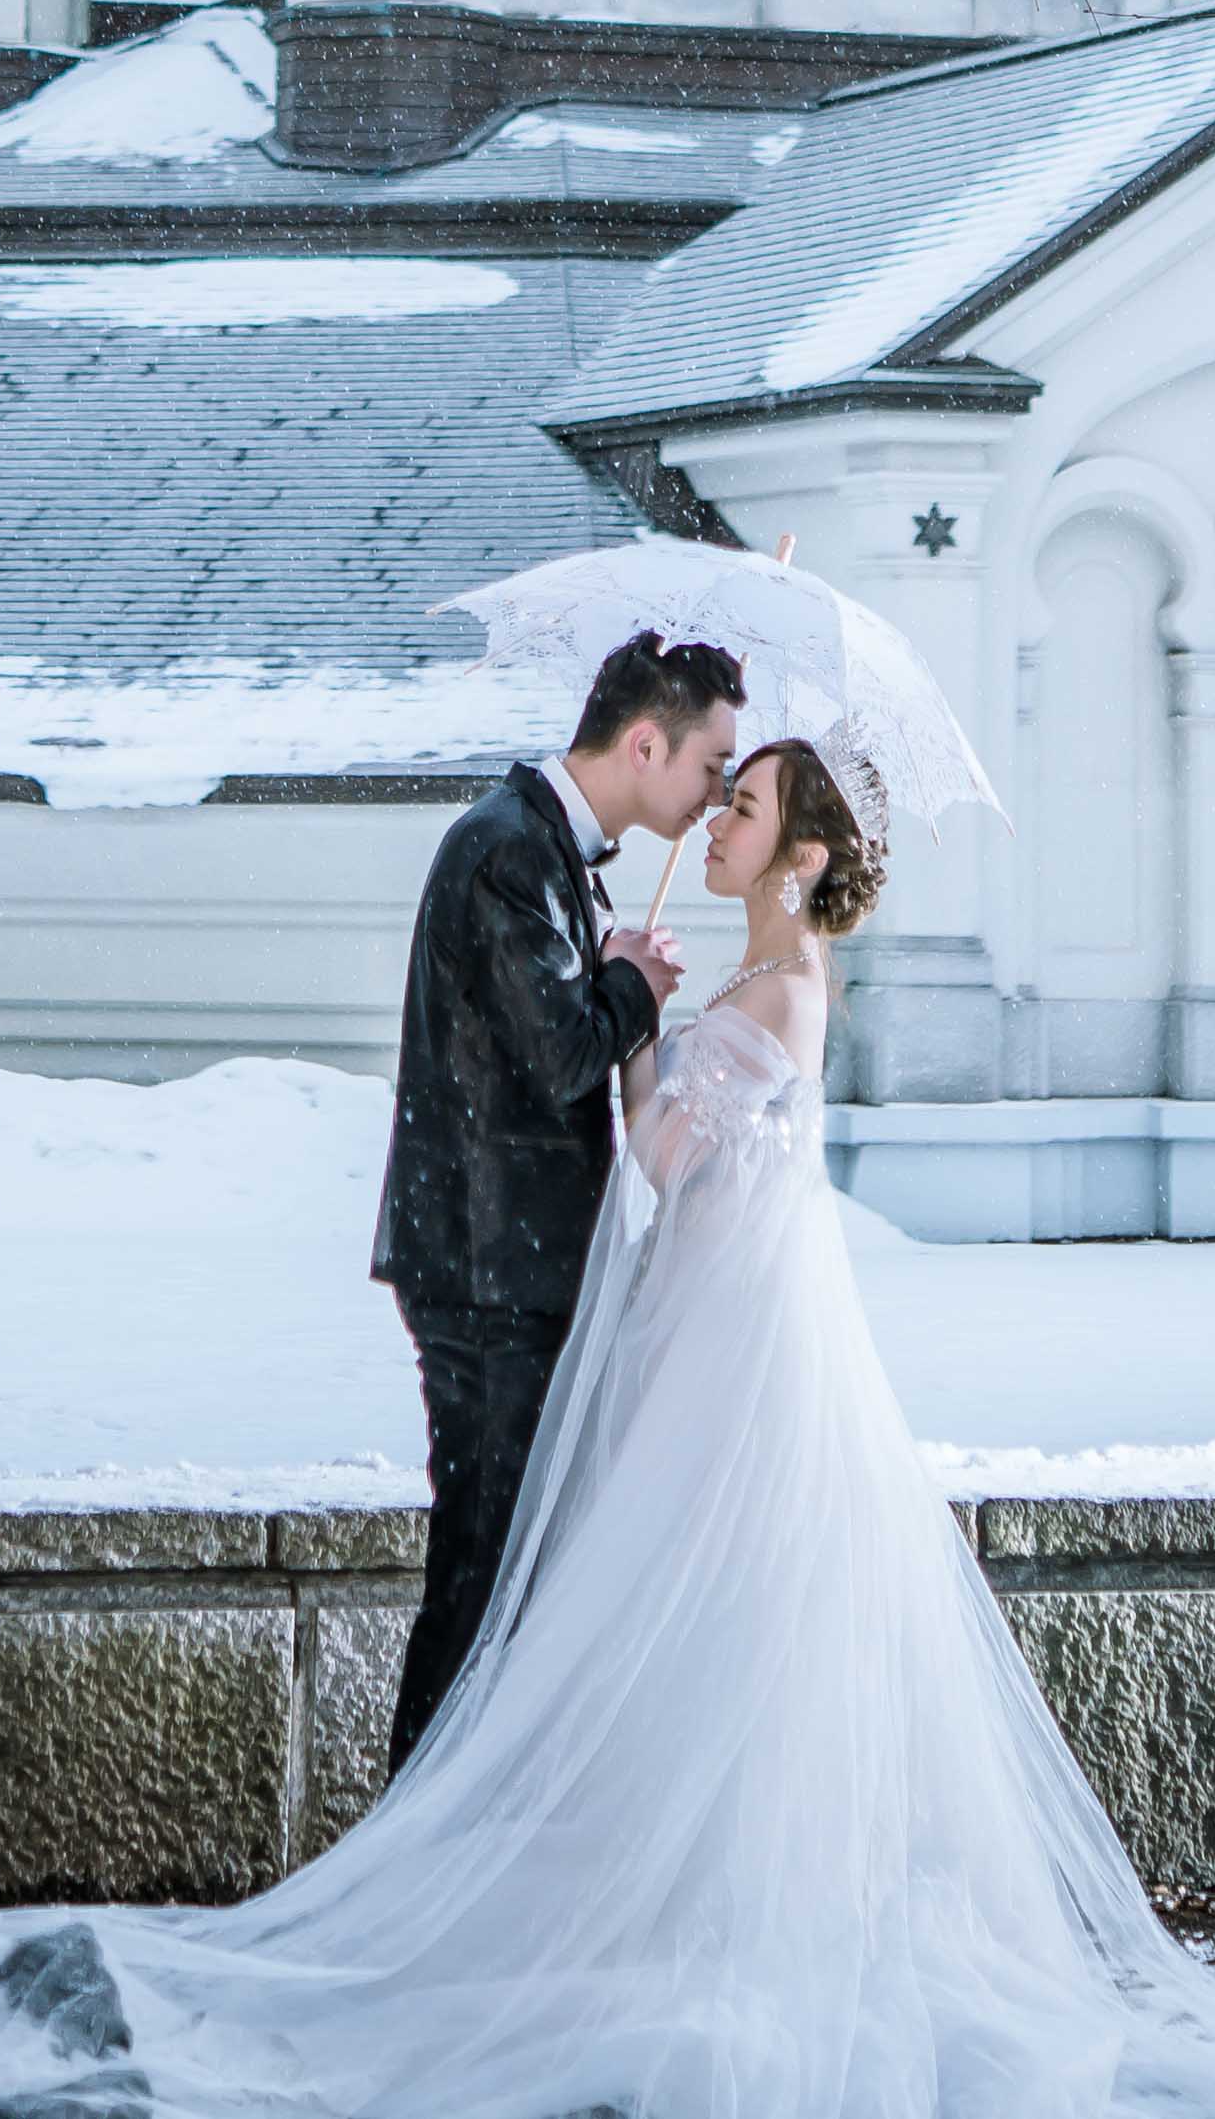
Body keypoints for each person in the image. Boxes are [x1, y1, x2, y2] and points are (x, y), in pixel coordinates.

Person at [0, 730, 1215, 2119]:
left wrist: (627, 1012)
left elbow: (653, 1165)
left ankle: (644, 1916)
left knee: (677, 1617)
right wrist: (644, 1003)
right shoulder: (766, 979)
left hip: (724, 1349)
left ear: (796, 854)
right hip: (719, 1330)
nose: (715, 819)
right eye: (716, 791)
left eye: (742, 806)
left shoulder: (771, 998)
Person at [369, 627, 743, 1766]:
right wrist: (631, 983)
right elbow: (564, 1057)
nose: (715, 793)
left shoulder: (540, 853)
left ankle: (456, 1828)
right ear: (644, 743)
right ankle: (421, 1836)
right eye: (709, 764)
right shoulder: (506, 853)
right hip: (489, 1275)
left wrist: (610, 966)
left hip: (515, 1266)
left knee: (509, 1568)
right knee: (482, 1571)